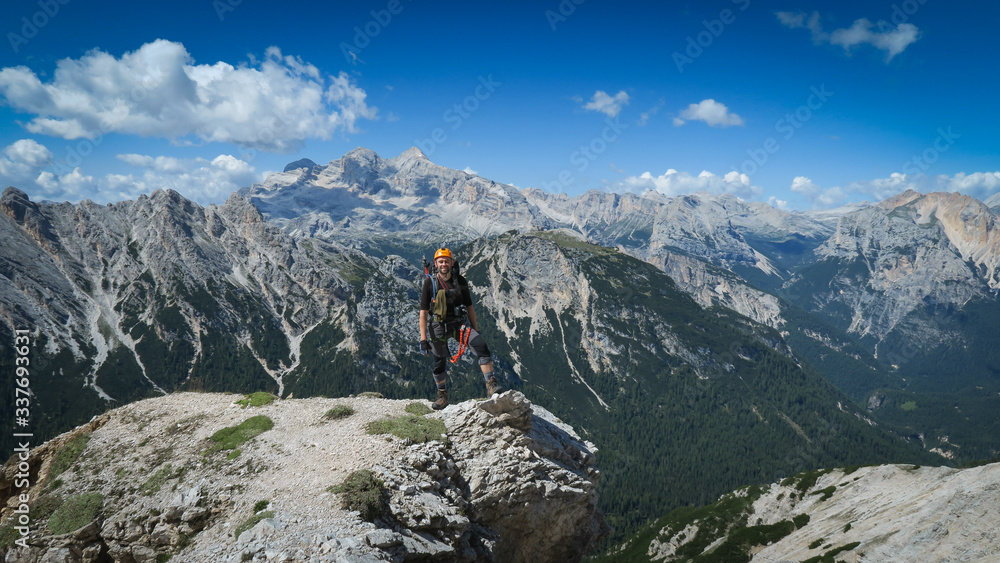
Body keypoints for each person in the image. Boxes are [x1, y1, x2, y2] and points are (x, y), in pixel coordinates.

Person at [419, 247, 502, 409]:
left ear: (452, 263)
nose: (444, 264)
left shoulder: (460, 281)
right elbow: (423, 313)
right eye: (441, 261)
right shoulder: (429, 283)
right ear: (435, 264)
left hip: (458, 324)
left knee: (481, 346)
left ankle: (491, 385)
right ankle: (442, 395)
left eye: (447, 261)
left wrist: (475, 329)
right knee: (439, 362)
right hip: (438, 325)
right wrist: (423, 339)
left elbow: (469, 306)